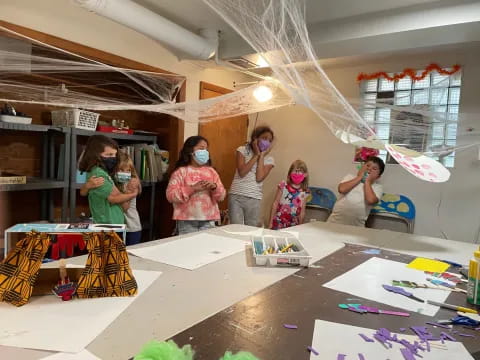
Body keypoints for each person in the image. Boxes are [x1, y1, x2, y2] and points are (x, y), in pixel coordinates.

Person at [166, 136, 226, 235]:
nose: (205, 152)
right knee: (189, 248)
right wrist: (192, 189)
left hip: (209, 219)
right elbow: (170, 195)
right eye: (201, 148)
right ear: (190, 150)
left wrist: (214, 187)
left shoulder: (211, 172)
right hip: (186, 220)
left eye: (206, 149)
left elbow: (221, 196)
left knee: (206, 248)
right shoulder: (181, 172)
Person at [78, 135, 138, 225]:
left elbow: (83, 192)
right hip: (109, 225)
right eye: (109, 155)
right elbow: (113, 198)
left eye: (114, 155)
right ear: (96, 154)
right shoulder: (98, 174)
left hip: (112, 224)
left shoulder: (105, 172)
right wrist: (133, 194)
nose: (113, 158)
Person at [228, 125, 275, 226]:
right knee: (235, 229)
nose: (267, 142)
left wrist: (261, 155)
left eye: (270, 140)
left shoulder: (270, 159)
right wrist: (256, 155)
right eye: (264, 138)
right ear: (255, 138)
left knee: (251, 230)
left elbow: (259, 178)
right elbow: (242, 172)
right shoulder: (242, 150)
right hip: (236, 195)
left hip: (254, 198)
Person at [327, 156, 384, 227]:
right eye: (367, 165)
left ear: (378, 177)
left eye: (374, 168)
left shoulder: (377, 187)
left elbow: (371, 200)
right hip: (334, 221)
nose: (369, 169)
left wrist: (367, 182)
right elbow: (342, 189)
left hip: (357, 226)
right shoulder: (350, 177)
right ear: (361, 167)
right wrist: (359, 177)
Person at [269, 160, 309, 230]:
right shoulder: (283, 185)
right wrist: (270, 223)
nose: (297, 173)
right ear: (290, 173)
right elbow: (275, 204)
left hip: (293, 225)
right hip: (278, 223)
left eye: (300, 171)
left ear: (305, 174)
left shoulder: (305, 191)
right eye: (295, 171)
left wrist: (300, 227)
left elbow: (302, 212)